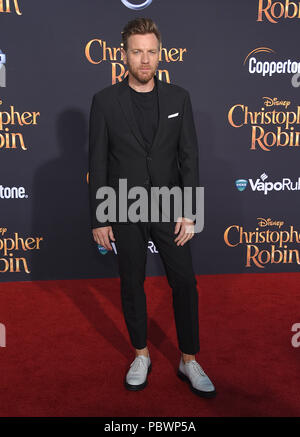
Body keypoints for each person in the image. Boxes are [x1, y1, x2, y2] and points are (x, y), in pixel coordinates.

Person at [88, 18, 216, 398]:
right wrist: (100, 216)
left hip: (170, 204)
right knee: (131, 283)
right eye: (137, 52)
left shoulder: (179, 98)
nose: (145, 60)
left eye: (151, 52)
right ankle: (140, 354)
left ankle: (189, 360)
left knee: (185, 284)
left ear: (161, 54)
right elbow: (97, 163)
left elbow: (189, 157)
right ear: (123, 54)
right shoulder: (104, 101)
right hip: (123, 204)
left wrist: (191, 210)